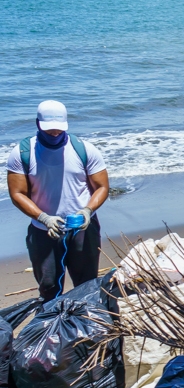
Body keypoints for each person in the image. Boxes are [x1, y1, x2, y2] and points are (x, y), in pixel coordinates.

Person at [6, 101, 109, 302]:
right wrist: (44, 218)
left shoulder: (84, 149)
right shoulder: (21, 153)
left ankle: (86, 324)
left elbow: (102, 187)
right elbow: (17, 193)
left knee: (87, 285)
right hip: (44, 230)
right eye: (49, 130)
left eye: (58, 130)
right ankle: (52, 326)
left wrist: (87, 211)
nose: (54, 134)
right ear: (38, 124)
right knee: (49, 287)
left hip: (82, 228)